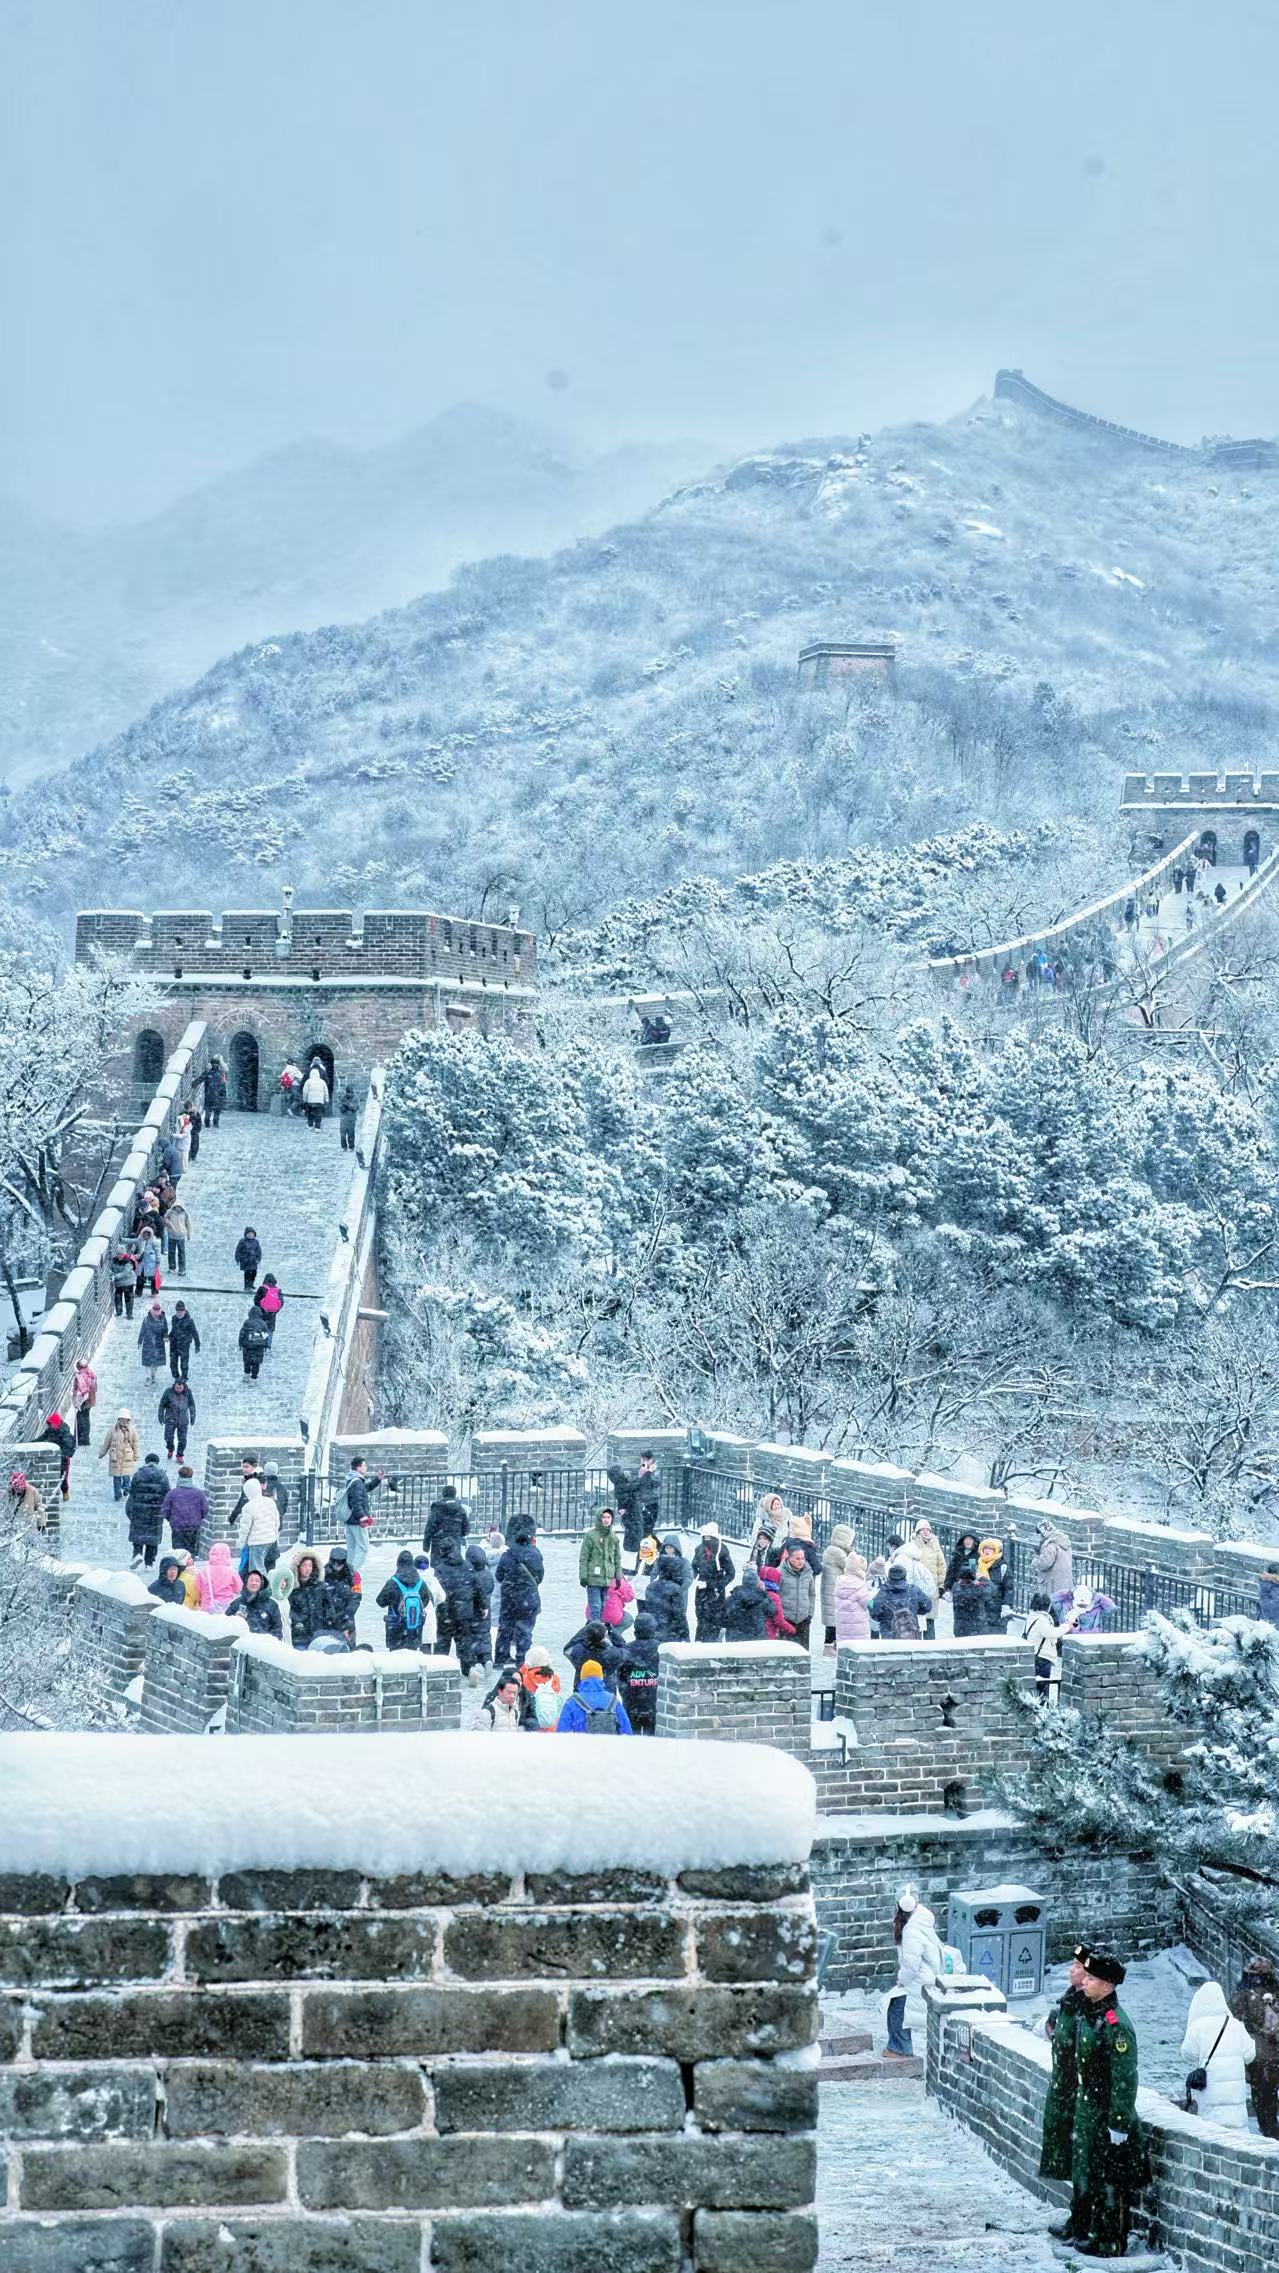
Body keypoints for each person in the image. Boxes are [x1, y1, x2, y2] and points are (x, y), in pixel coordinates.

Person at [1065, 1953, 1145, 2260]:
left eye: (1092, 1979)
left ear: (1108, 1986)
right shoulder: (1092, 2015)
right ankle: (1090, 2230)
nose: (1085, 1982)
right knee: (1088, 2172)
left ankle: (1110, 2240)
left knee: (1110, 2177)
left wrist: (1119, 2122)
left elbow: (1124, 2077)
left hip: (1105, 2111)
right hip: (1089, 2108)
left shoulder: (1115, 2024)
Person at [1038, 1943, 1094, 2227]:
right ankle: (1078, 2218)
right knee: (1073, 2159)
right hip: (1064, 2090)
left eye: (1077, 1967)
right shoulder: (1070, 2002)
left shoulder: (1087, 2008)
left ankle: (1083, 2221)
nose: (1070, 1970)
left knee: (1082, 2162)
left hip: (1077, 2093)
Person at [1180, 1979, 1254, 2129]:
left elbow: (1187, 2054)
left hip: (1211, 2093)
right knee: (1238, 2131)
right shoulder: (1236, 2025)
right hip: (1235, 2095)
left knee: (1212, 2130)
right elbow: (1250, 2054)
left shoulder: (1197, 2027)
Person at [886, 1883, 943, 2059]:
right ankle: (899, 2047)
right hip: (926, 1974)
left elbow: (911, 1964)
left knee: (897, 2010)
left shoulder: (911, 1929)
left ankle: (900, 2049)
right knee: (900, 2009)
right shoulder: (921, 1919)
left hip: (919, 1978)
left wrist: (902, 1980)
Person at [1231, 1955, 1279, 2138]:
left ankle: (1269, 2129)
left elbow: (1232, 2017)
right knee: (1269, 2092)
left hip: (1257, 2053)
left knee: (1262, 2094)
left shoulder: (1244, 1994)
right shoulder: (1275, 1990)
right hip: (1273, 2051)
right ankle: (1271, 2128)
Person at [494, 1518, 543, 1664]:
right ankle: (522, 1658)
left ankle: (501, 1657)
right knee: (525, 1629)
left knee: (505, 1628)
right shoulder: (536, 1554)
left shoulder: (507, 1555)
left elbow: (499, 1575)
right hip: (528, 1597)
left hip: (509, 1597)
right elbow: (539, 1576)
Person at [608, 1451, 660, 1570]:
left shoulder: (652, 1472)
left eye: (646, 1459)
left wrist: (647, 1474)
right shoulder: (623, 1485)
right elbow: (634, 1486)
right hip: (635, 1514)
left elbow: (650, 1483)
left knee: (644, 1536)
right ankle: (641, 1564)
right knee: (641, 1538)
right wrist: (645, 1474)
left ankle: (644, 1563)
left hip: (645, 1507)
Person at [377, 1548, 436, 1652]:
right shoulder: (420, 1583)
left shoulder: (392, 1582)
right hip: (414, 1627)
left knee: (395, 1658)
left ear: (398, 1564)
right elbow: (426, 1601)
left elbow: (380, 1602)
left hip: (395, 1628)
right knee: (412, 1657)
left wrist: (395, 1602)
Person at [556, 1658, 633, 1734]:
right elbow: (626, 1730)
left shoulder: (572, 1701)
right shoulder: (613, 1701)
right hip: (608, 1742)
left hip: (581, 1742)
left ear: (582, 1677)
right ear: (601, 1677)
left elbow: (562, 1732)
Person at [617, 1609, 660, 1734]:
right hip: (654, 1702)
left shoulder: (627, 1649)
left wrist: (626, 1694)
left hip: (632, 1702)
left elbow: (620, 1677)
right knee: (654, 1738)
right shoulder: (662, 1649)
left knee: (632, 1737)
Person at [691, 1522, 736, 1642]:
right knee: (701, 1616)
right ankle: (699, 1642)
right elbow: (694, 1566)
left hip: (716, 1591)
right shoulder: (699, 1549)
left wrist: (717, 1585)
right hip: (701, 1589)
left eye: (709, 1537)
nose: (706, 1540)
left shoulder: (722, 1550)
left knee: (714, 1619)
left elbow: (731, 1572)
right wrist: (694, 1577)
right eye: (704, 1537)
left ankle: (712, 1643)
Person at [458, 1541, 495, 1680]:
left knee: (467, 1639)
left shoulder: (467, 1575)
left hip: (468, 1612)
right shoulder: (488, 1575)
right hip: (484, 1613)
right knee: (484, 1637)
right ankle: (487, 1659)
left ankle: (470, 1666)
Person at [578, 1504, 622, 1620]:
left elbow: (617, 1558)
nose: (606, 1520)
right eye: (603, 1517)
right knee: (595, 1607)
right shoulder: (591, 1535)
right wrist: (583, 1576)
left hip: (607, 1578)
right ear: (599, 1518)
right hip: (593, 1578)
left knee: (602, 1606)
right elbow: (584, 1557)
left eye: (608, 1517)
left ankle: (595, 1626)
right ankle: (595, 1626)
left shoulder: (613, 1537)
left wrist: (618, 1577)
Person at [125, 1452, 168, 1569]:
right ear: (157, 1462)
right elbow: (167, 1493)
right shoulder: (162, 1476)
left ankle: (137, 1554)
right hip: (155, 1511)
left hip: (139, 1510)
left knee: (138, 1533)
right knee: (153, 1537)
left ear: (146, 1462)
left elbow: (132, 1492)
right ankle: (149, 1562)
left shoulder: (138, 1474)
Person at [870, 1561, 931, 1643]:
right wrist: (915, 1610)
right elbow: (927, 1606)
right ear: (905, 1575)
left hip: (889, 1637)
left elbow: (874, 1613)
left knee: (891, 1651)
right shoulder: (914, 1590)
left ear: (889, 1576)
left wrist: (885, 1618)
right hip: (911, 1635)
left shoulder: (882, 1592)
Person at [342, 1456, 383, 1571]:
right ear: (358, 1468)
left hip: (349, 1519)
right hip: (357, 1521)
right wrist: (362, 1517)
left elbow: (365, 1488)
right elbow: (356, 1501)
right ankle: (352, 1573)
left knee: (352, 1549)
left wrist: (377, 1480)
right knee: (363, 1548)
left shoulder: (352, 1480)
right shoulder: (357, 1482)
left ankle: (347, 1573)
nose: (366, 1467)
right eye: (364, 1465)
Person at [565, 1617, 625, 1693]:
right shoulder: (613, 1654)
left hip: (582, 1691)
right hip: (606, 1691)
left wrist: (585, 1629)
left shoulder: (578, 1651)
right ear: (604, 1636)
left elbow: (568, 1648)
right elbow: (624, 1648)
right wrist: (611, 1630)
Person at [161, 1464, 208, 1558]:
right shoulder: (199, 1493)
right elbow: (205, 1510)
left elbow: (165, 1511)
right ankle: (190, 1564)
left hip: (177, 1526)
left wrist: (172, 1519)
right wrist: (197, 1518)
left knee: (178, 1552)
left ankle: (179, 1565)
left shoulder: (172, 1493)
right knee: (191, 1551)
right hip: (193, 1526)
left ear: (179, 1476)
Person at [237, 1474, 280, 1577]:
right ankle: (269, 1582)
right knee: (268, 1568)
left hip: (256, 1543)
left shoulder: (248, 1507)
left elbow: (245, 1529)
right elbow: (276, 1521)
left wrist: (241, 1543)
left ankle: (263, 1585)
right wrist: (274, 1536)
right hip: (271, 1541)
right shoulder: (270, 1502)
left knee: (257, 1571)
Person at [644, 1548, 690, 1642]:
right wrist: (686, 1636)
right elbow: (680, 1616)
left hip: (654, 1632)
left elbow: (647, 1610)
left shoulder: (650, 1587)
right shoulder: (675, 1589)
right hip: (670, 1634)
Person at [1022, 1591, 1062, 1701]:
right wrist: (1067, 1626)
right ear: (1047, 1606)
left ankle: (1035, 1703)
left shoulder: (1032, 1617)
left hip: (1035, 1655)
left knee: (1036, 1684)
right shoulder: (1041, 1620)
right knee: (1043, 1686)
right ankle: (1041, 1705)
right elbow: (1052, 1633)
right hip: (1042, 1656)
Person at [225, 1565, 283, 1638]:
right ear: (246, 1583)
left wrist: (271, 1642)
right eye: (251, 1580)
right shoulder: (237, 1602)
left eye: (257, 1581)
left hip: (265, 1643)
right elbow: (225, 1624)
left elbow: (277, 1629)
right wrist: (236, 1619)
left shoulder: (272, 1604)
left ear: (262, 1584)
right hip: (242, 1642)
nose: (254, 1583)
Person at [778, 1543, 816, 1649]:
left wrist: (810, 1614)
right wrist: (780, 1616)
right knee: (787, 1652)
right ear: (789, 1558)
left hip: (804, 1619)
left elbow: (812, 1594)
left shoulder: (808, 1573)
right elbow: (775, 1596)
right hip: (786, 1619)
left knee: (803, 1651)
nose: (801, 1561)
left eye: (803, 1558)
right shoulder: (780, 1572)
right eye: (797, 1558)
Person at [319, 1546, 360, 1646]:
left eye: (340, 1564)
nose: (337, 1566)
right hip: (328, 1617)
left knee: (349, 1646)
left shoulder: (354, 1575)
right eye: (334, 1563)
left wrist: (348, 1614)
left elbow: (356, 1596)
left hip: (347, 1617)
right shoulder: (322, 1574)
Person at [98, 1408, 140, 1502]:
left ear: (128, 1419)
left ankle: (126, 1489)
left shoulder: (132, 1430)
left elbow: (135, 1443)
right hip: (115, 1457)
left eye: (125, 1419)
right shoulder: (113, 1429)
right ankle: (117, 1494)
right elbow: (107, 1442)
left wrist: (136, 1455)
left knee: (126, 1476)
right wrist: (102, 1453)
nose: (123, 1420)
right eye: (121, 1418)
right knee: (116, 1477)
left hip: (127, 1456)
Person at [422, 1481, 468, 1565]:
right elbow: (466, 1529)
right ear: (454, 1494)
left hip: (438, 1544)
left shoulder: (437, 1508)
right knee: (454, 1566)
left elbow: (430, 1527)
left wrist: (426, 1544)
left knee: (439, 1567)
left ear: (443, 1494)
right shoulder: (461, 1509)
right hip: (455, 1543)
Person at [834, 1551, 874, 1644]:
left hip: (842, 1626)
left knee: (844, 1647)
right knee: (858, 1649)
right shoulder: (860, 1585)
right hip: (858, 1629)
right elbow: (869, 1605)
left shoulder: (840, 1581)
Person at [518, 1645, 562, 1730]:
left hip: (532, 1723)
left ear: (528, 1663)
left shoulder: (524, 1679)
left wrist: (524, 1668)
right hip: (551, 1722)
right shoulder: (554, 1678)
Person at [724, 1564, 771, 1639]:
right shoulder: (762, 1598)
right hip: (756, 1637)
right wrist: (763, 1592)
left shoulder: (733, 1597)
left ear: (743, 1580)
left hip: (735, 1637)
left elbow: (722, 1616)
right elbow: (773, 1611)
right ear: (756, 1581)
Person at [196, 1539, 240, 1614]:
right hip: (225, 1606)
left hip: (207, 1606)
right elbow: (237, 1588)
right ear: (227, 1555)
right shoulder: (231, 1571)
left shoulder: (204, 1571)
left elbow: (199, 1588)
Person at [949, 1558, 991, 1638]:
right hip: (976, 1628)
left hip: (960, 1628)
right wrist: (981, 1577)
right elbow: (991, 1588)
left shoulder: (955, 1588)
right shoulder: (977, 1589)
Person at [975, 1538, 1010, 1630]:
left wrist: (1006, 1604)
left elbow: (1008, 1587)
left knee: (995, 1632)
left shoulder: (1002, 1566)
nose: (987, 1551)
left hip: (996, 1604)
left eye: (990, 1549)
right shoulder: (979, 1564)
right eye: (985, 1548)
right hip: (980, 1604)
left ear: (996, 1550)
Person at [1033, 1520, 1073, 1599]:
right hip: (1064, 1582)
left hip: (1052, 1584)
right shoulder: (1063, 1541)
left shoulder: (1050, 1545)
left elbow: (1045, 1563)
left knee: (1051, 1604)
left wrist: (1035, 1559)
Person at [41, 1410, 75, 1501]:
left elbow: (68, 1446)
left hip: (63, 1458)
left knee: (63, 1476)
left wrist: (62, 1455)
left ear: (57, 1423)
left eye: (52, 1424)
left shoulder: (65, 1433)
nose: (51, 1426)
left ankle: (65, 1491)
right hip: (52, 1457)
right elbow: (42, 1438)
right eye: (50, 1424)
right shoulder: (50, 1431)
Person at [158, 1378, 195, 1462]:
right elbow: (162, 1404)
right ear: (174, 1386)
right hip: (170, 1418)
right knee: (168, 1437)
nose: (178, 1389)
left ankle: (179, 1455)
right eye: (177, 1387)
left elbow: (192, 1404)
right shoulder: (168, 1392)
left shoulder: (188, 1392)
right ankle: (170, 1448)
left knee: (182, 1440)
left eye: (180, 1388)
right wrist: (160, 1415)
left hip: (183, 1419)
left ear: (184, 1387)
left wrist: (192, 1416)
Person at [911, 1520, 947, 1601]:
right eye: (922, 1530)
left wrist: (941, 1584)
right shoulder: (913, 1545)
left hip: (933, 1585)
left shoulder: (935, 1546)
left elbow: (941, 1566)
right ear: (918, 1532)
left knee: (932, 1607)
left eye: (927, 1530)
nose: (925, 1532)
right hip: (917, 1584)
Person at [168, 1301, 200, 1383]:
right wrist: (168, 1337)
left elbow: (195, 1333)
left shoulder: (189, 1321)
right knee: (173, 1363)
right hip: (174, 1345)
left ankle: (184, 1377)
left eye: (181, 1311)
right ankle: (176, 1377)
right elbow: (173, 1331)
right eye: (177, 1311)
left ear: (184, 1310)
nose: (179, 1313)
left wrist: (197, 1345)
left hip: (184, 1345)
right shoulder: (174, 1318)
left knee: (184, 1363)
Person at [942, 1530, 981, 1597]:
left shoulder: (979, 1555)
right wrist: (947, 1587)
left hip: (974, 1587)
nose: (968, 1541)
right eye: (966, 1539)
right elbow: (951, 1572)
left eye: (970, 1539)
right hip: (958, 1586)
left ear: (974, 1541)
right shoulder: (957, 1553)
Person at [138, 1302, 169, 1386]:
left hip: (159, 1344)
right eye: (155, 1315)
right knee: (147, 1362)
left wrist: (165, 1336)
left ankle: (153, 1375)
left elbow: (165, 1330)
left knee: (156, 1362)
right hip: (148, 1343)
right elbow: (142, 1330)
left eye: (157, 1315)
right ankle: (148, 1378)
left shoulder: (163, 1319)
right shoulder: (146, 1320)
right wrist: (140, 1341)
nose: (156, 1316)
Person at [71, 1356, 97, 1449]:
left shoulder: (80, 1376)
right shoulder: (90, 1372)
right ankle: (85, 1438)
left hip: (84, 1401)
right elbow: (94, 1386)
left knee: (81, 1418)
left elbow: (81, 1391)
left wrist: (77, 1403)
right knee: (85, 1417)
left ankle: (81, 1439)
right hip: (91, 1399)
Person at [8, 1468, 46, 1533]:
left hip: (28, 1528)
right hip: (11, 1530)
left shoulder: (32, 1491)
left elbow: (40, 1508)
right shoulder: (7, 1493)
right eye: (16, 1489)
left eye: (21, 1488)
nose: (19, 1490)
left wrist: (41, 1526)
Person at [253, 1273, 284, 1348]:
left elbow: (256, 1300)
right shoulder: (278, 1290)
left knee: (260, 1327)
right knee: (270, 1329)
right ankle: (268, 1345)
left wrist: (261, 1309)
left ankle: (260, 1343)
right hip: (272, 1314)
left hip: (262, 1313)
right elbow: (281, 1302)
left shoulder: (262, 1288)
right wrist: (275, 1311)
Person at [110, 1240, 140, 1318]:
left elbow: (126, 1273)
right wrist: (110, 1272)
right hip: (118, 1284)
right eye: (118, 1254)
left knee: (128, 1299)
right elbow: (110, 1268)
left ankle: (129, 1314)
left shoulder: (128, 1262)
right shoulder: (114, 1260)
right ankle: (119, 1312)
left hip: (128, 1283)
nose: (120, 1256)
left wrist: (116, 1276)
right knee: (118, 1298)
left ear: (124, 1254)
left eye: (121, 1254)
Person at [164, 1196, 191, 1278]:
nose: (178, 1209)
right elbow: (165, 1217)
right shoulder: (170, 1212)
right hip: (172, 1235)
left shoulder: (185, 1214)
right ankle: (172, 1267)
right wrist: (168, 1223)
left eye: (179, 1207)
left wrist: (189, 1234)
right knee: (171, 1252)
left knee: (181, 1253)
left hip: (181, 1236)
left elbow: (188, 1224)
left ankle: (182, 1269)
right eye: (177, 1207)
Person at [301, 1060, 330, 1130]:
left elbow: (305, 1091)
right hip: (319, 1101)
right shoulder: (322, 1082)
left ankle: (310, 1125)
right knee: (318, 1114)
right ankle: (317, 1127)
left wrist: (305, 1100)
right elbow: (326, 1092)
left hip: (310, 1101)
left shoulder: (308, 1081)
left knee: (310, 1113)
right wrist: (326, 1100)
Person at [135, 1226, 163, 1297]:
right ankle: (138, 1293)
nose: (146, 1236)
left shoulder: (154, 1242)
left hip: (151, 1264)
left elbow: (158, 1252)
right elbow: (132, 1241)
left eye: (147, 1235)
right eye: (144, 1234)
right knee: (140, 1278)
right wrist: (123, 1240)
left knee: (153, 1279)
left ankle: (154, 1292)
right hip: (142, 1263)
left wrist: (158, 1261)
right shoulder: (140, 1240)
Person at [338, 1084, 359, 1150]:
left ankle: (351, 1147)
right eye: (349, 1093)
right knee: (342, 1134)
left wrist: (348, 1105)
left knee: (351, 1134)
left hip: (352, 1119)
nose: (350, 1094)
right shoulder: (342, 1098)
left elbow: (356, 1108)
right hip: (343, 1119)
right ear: (346, 1092)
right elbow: (340, 1108)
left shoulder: (356, 1098)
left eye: (351, 1093)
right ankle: (344, 1147)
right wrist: (343, 1106)